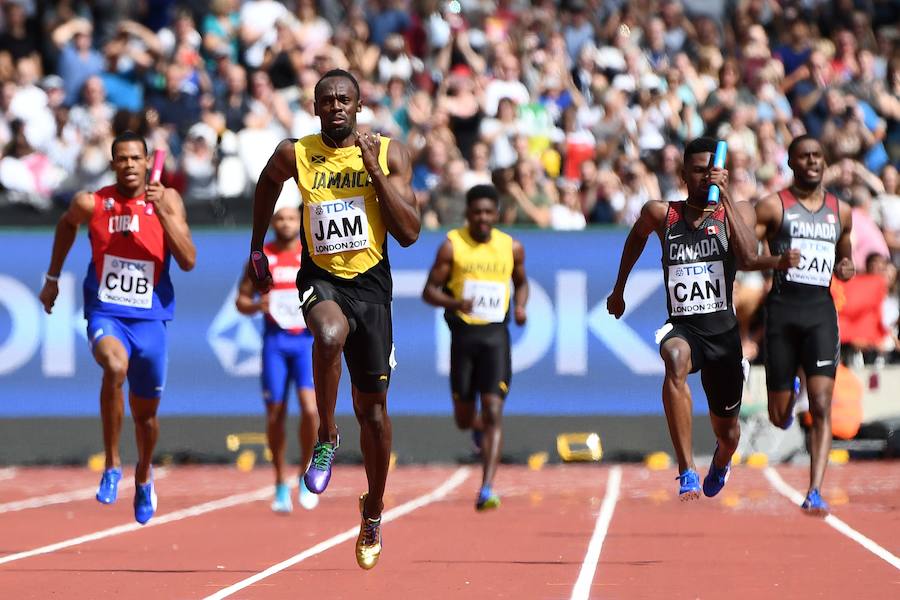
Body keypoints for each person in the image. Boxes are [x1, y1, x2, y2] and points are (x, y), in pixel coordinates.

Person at [247, 69, 419, 570]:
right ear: (316, 108)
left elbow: (409, 232)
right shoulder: (295, 153)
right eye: (328, 100)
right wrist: (256, 247)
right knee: (326, 333)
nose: (337, 106)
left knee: (376, 413)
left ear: (359, 105)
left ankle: (373, 510)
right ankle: (326, 436)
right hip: (320, 278)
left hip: (372, 288)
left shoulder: (389, 152)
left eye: (345, 98)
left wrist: (374, 170)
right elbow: (266, 184)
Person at [38, 131, 196, 525]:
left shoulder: (168, 199)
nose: (128, 165)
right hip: (106, 312)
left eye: (135, 158)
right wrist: (53, 277)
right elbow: (65, 226)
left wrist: (161, 214)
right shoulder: (91, 202)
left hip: (151, 319)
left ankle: (143, 473)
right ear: (113, 164)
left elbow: (189, 259)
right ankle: (112, 464)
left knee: (146, 417)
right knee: (114, 367)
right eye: (121, 158)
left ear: (147, 163)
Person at [607, 137, 766, 501]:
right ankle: (686, 469)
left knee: (728, 435)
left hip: (723, 334)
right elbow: (636, 238)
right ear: (683, 174)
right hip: (685, 328)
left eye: (711, 171)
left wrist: (723, 196)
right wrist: (619, 291)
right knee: (674, 357)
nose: (704, 178)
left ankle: (721, 462)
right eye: (697, 171)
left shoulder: (738, 210)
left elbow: (746, 257)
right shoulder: (663, 214)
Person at [753, 135, 854, 516]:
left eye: (817, 156)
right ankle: (790, 388)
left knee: (823, 404)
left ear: (824, 162)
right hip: (781, 312)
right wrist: (776, 262)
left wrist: (846, 268)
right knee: (780, 417)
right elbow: (746, 256)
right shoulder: (774, 206)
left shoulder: (840, 211)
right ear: (792, 163)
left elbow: (846, 259)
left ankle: (814, 490)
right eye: (804, 157)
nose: (811, 162)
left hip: (820, 314)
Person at [421, 184, 528, 511]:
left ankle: (487, 488)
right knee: (465, 419)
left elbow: (521, 283)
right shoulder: (453, 246)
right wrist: (456, 302)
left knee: (494, 409)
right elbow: (428, 292)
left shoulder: (511, 247)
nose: (482, 218)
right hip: (464, 338)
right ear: (467, 213)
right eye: (476, 212)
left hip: (496, 336)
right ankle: (477, 429)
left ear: (496, 214)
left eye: (488, 212)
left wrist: (521, 307)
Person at [235, 205, 319, 514]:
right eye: (280, 218)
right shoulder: (261, 258)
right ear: (272, 222)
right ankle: (281, 481)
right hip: (275, 343)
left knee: (311, 410)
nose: (285, 223)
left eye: (291, 218)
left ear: (300, 221)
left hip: (306, 342)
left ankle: (305, 472)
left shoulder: (310, 254)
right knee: (275, 415)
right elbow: (241, 300)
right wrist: (259, 305)